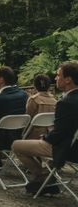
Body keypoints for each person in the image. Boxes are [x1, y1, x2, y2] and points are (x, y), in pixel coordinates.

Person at [12, 63, 78, 195]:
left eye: (58, 75)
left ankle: (44, 177)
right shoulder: (62, 100)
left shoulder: (66, 102)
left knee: (16, 145)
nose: (55, 78)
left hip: (67, 149)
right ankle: (46, 179)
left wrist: (46, 137)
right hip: (73, 144)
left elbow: (59, 134)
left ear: (68, 79)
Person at [25, 74, 57, 139]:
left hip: (34, 136)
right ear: (49, 87)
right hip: (50, 135)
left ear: (35, 86)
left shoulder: (33, 100)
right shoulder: (55, 101)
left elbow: (27, 119)